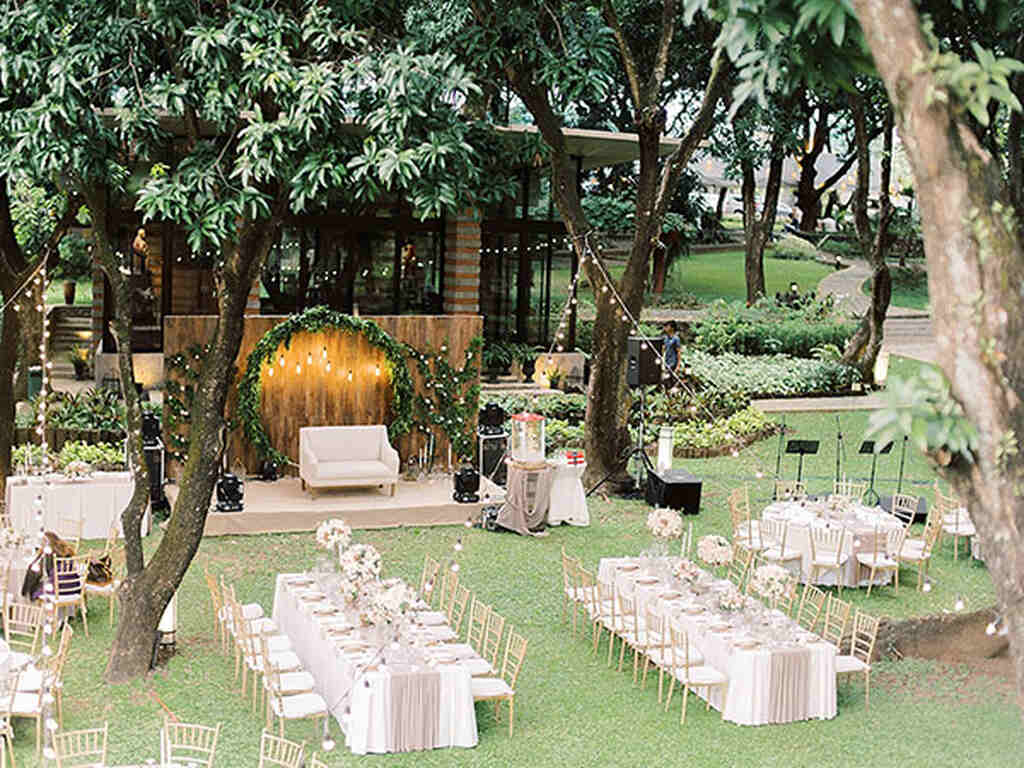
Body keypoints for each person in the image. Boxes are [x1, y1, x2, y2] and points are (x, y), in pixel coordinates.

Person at [661, 320, 682, 385]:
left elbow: (679, 352)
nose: (665, 328)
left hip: (673, 363)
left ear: (672, 328)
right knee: (665, 381)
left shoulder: (676, 339)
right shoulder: (665, 338)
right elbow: (663, 350)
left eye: (667, 326)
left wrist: (678, 366)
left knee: (671, 380)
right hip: (666, 363)